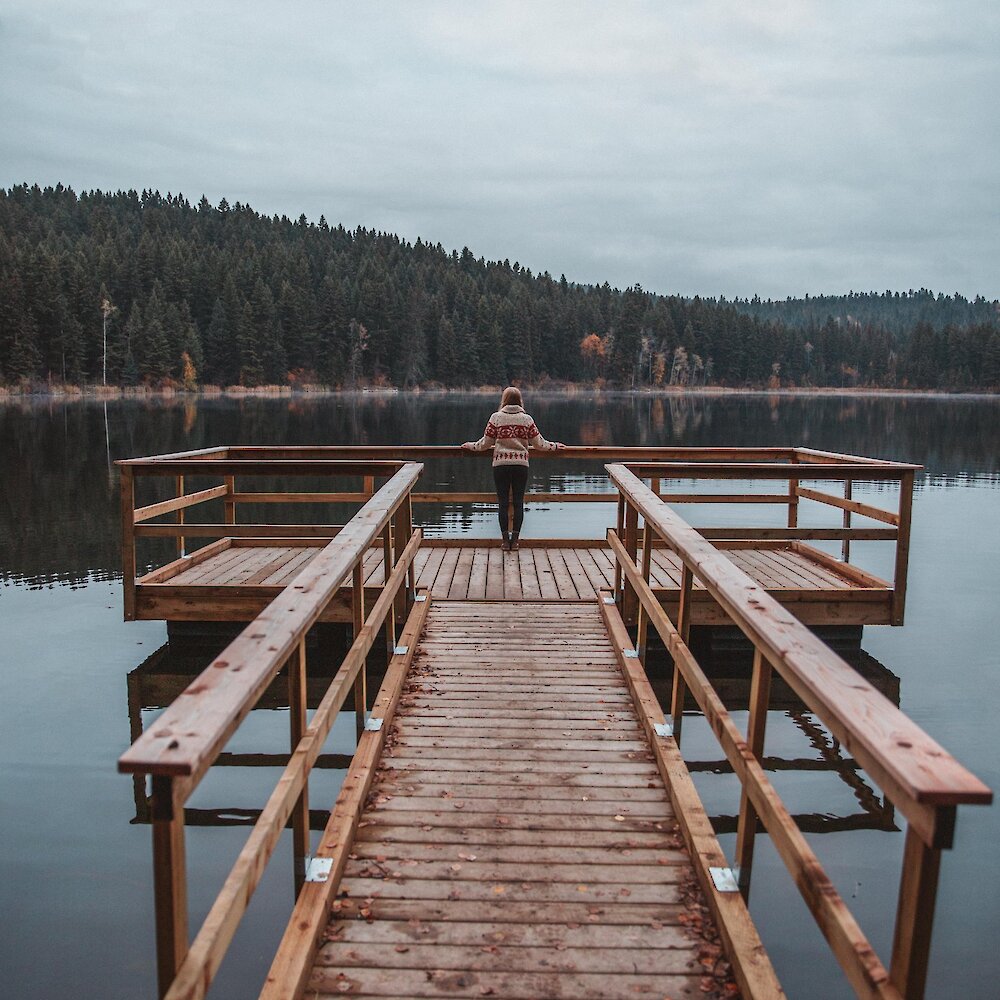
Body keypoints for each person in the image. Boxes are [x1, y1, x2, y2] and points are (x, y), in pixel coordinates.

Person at [462, 387, 564, 551]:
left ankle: (504, 541)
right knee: (518, 503)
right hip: (520, 466)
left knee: (503, 503)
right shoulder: (527, 420)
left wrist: (470, 446)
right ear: (520, 401)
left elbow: (485, 444)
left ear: (504, 400)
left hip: (500, 466)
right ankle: (515, 541)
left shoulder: (496, 418)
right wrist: (555, 446)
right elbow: (539, 444)